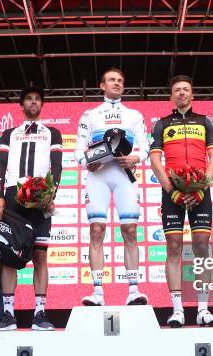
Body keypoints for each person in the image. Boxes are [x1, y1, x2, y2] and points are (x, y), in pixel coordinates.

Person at [149, 75, 213, 327]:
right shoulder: (162, 124)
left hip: (201, 192)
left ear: (192, 95)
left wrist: (203, 188)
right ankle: (177, 309)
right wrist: (172, 191)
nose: (181, 93)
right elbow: (156, 162)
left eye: (186, 90)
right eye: (177, 90)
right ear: (171, 96)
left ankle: (203, 308)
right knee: (174, 247)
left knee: (201, 245)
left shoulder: (205, 122)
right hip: (172, 193)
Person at [74, 68, 150, 306]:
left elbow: (146, 147)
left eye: (120, 81)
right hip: (98, 178)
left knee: (130, 231)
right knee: (96, 230)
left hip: (124, 177)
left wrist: (135, 158)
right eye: (111, 80)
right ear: (102, 85)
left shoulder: (134, 115)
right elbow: (78, 150)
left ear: (123, 86)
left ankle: (133, 291)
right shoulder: (89, 114)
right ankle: (97, 292)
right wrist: (89, 163)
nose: (116, 84)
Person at [0, 86, 62, 330]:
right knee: (9, 256)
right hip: (12, 196)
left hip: (40, 195)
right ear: (22, 106)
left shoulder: (53, 133)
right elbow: (0, 166)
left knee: (40, 255)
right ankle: (8, 314)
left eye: (37, 99)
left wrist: (51, 194)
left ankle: (40, 314)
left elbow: (57, 166)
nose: (33, 102)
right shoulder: (9, 133)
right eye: (29, 99)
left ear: (41, 105)